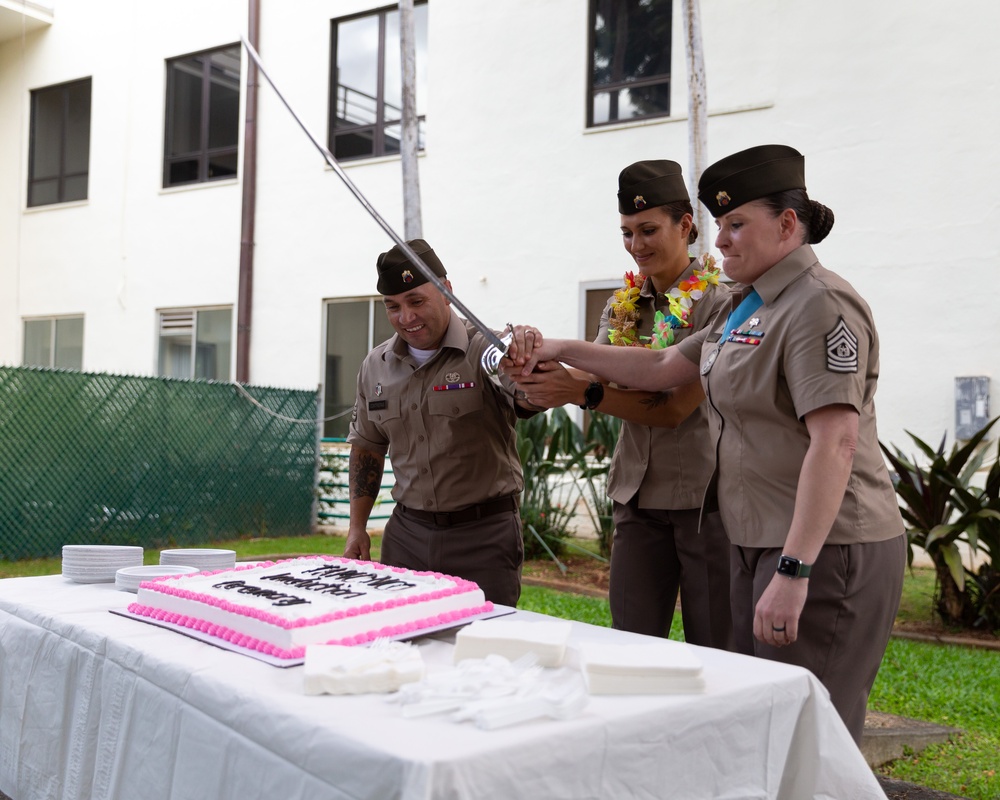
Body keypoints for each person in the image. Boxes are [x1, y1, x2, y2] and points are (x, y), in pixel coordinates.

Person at [506, 145, 906, 743]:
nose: (721, 241)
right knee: (764, 725)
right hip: (757, 541)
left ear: (788, 224)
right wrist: (556, 348)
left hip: (823, 546)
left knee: (811, 736)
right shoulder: (749, 307)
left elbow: (837, 442)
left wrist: (794, 569)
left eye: (736, 224)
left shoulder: (819, 304)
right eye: (721, 225)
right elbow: (663, 364)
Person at [514, 160, 734, 648]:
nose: (637, 246)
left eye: (649, 229)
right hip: (635, 496)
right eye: (627, 233)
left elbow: (676, 408)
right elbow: (588, 376)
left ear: (687, 225)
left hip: (707, 500)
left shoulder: (723, 302)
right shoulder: (622, 304)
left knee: (719, 646)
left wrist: (581, 391)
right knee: (630, 644)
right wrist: (529, 368)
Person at [345, 238, 537, 608]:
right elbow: (367, 447)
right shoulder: (376, 366)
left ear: (446, 291)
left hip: (483, 537)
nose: (406, 317)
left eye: (416, 301)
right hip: (407, 537)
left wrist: (527, 358)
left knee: (483, 654)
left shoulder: (486, 348)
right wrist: (357, 527)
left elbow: (530, 398)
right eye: (393, 307)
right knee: (403, 647)